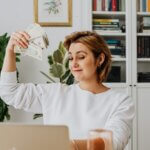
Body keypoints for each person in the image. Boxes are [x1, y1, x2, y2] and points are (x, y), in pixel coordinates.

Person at [0, 31, 134, 150]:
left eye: (81, 57)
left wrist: (70, 145)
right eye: (70, 58)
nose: (74, 63)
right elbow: (9, 92)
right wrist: (10, 50)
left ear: (100, 59)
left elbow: (114, 143)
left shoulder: (121, 102)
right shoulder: (54, 93)